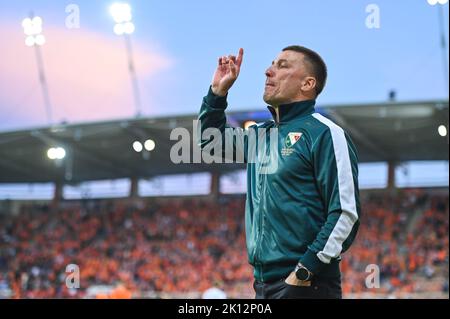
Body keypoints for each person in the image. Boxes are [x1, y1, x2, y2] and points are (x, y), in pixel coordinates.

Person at [198, 46, 361, 299]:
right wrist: (218, 93)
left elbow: (345, 213)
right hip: (262, 285)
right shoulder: (260, 136)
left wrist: (305, 271)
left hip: (308, 285)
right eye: (272, 64)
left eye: (283, 66)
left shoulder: (326, 133)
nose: (268, 71)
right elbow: (210, 140)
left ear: (308, 83)